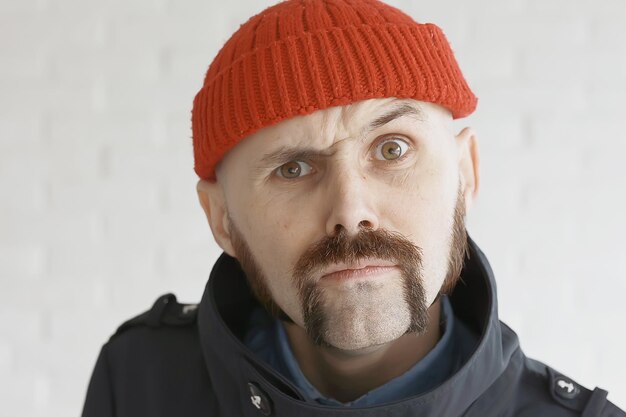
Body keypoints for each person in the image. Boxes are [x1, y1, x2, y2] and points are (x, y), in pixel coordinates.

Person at [81, 0, 625, 415]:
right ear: (221, 219)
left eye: (392, 149)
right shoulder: (137, 382)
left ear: (465, 173)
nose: (350, 209)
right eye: (292, 168)